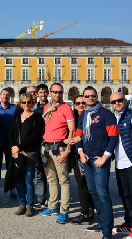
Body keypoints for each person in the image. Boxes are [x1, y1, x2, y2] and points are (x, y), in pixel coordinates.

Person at [75, 86, 118, 239]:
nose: (90, 98)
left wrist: (105, 157)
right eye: (87, 96)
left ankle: (107, 230)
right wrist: (80, 152)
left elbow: (113, 137)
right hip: (86, 159)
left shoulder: (106, 114)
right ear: (84, 98)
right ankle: (102, 221)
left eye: (93, 96)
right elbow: (78, 137)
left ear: (97, 96)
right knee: (93, 192)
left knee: (102, 193)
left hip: (100, 159)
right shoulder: (82, 116)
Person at [39, 83, 75, 224]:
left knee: (64, 181)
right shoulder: (47, 107)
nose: (57, 94)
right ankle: (52, 207)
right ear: (50, 93)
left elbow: (72, 131)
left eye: (60, 92)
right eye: (54, 92)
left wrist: (68, 151)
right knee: (51, 179)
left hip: (59, 148)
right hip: (46, 148)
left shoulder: (66, 108)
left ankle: (64, 211)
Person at [9, 93, 43, 217]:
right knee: (18, 178)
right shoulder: (17, 115)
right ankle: (22, 204)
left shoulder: (37, 116)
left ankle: (30, 205)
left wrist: (19, 147)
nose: (27, 104)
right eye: (24, 102)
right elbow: (11, 133)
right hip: (17, 153)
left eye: (29, 102)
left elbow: (35, 136)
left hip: (30, 153)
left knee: (29, 179)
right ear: (20, 103)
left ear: (32, 103)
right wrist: (13, 148)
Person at [67, 95, 95, 225]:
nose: (80, 105)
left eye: (83, 102)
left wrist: (79, 139)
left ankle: (87, 212)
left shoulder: (91, 116)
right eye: (77, 103)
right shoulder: (72, 117)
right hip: (75, 154)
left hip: (88, 153)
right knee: (82, 183)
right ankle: (87, 210)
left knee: (87, 184)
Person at [109, 92, 132, 237]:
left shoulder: (130, 115)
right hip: (119, 163)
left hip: (131, 161)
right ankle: (129, 224)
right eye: (113, 102)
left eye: (119, 100)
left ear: (125, 100)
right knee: (125, 195)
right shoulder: (113, 117)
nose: (116, 103)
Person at [0, 88, 18, 198]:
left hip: (10, 143)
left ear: (10, 97)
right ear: (0, 96)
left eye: (7, 95)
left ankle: (12, 188)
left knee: (11, 166)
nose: (5, 97)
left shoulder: (15, 108)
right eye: (3, 95)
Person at [33, 84, 49, 208]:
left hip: (50, 143)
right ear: (37, 94)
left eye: (45, 92)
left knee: (50, 173)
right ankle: (40, 198)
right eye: (41, 92)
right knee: (38, 172)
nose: (43, 94)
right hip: (38, 143)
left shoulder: (53, 107)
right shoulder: (34, 109)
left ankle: (51, 197)